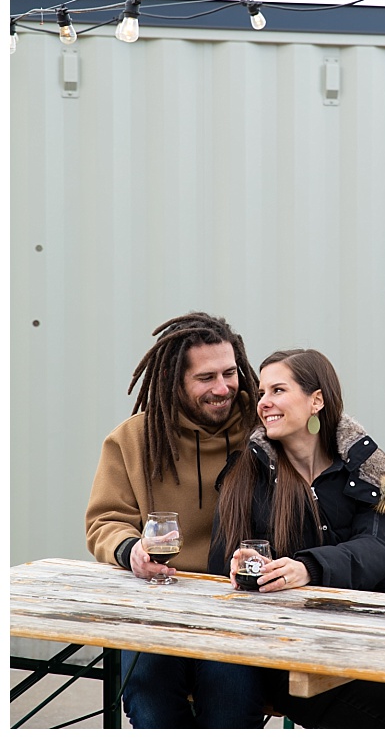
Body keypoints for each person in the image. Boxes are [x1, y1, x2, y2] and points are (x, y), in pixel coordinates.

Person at [209, 348, 385, 728]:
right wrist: (240, 564)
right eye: (261, 393)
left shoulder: (365, 473)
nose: (264, 403)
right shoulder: (248, 473)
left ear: (316, 400)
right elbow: (222, 558)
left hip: (375, 637)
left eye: (278, 390)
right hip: (295, 651)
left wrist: (308, 567)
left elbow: (381, 552)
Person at [84, 311, 266, 727]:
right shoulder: (133, 439)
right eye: (206, 378)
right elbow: (105, 521)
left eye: (230, 372)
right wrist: (131, 550)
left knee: (231, 686)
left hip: (239, 604)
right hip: (159, 602)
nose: (223, 388)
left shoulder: (265, 430)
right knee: (146, 681)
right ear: (173, 382)